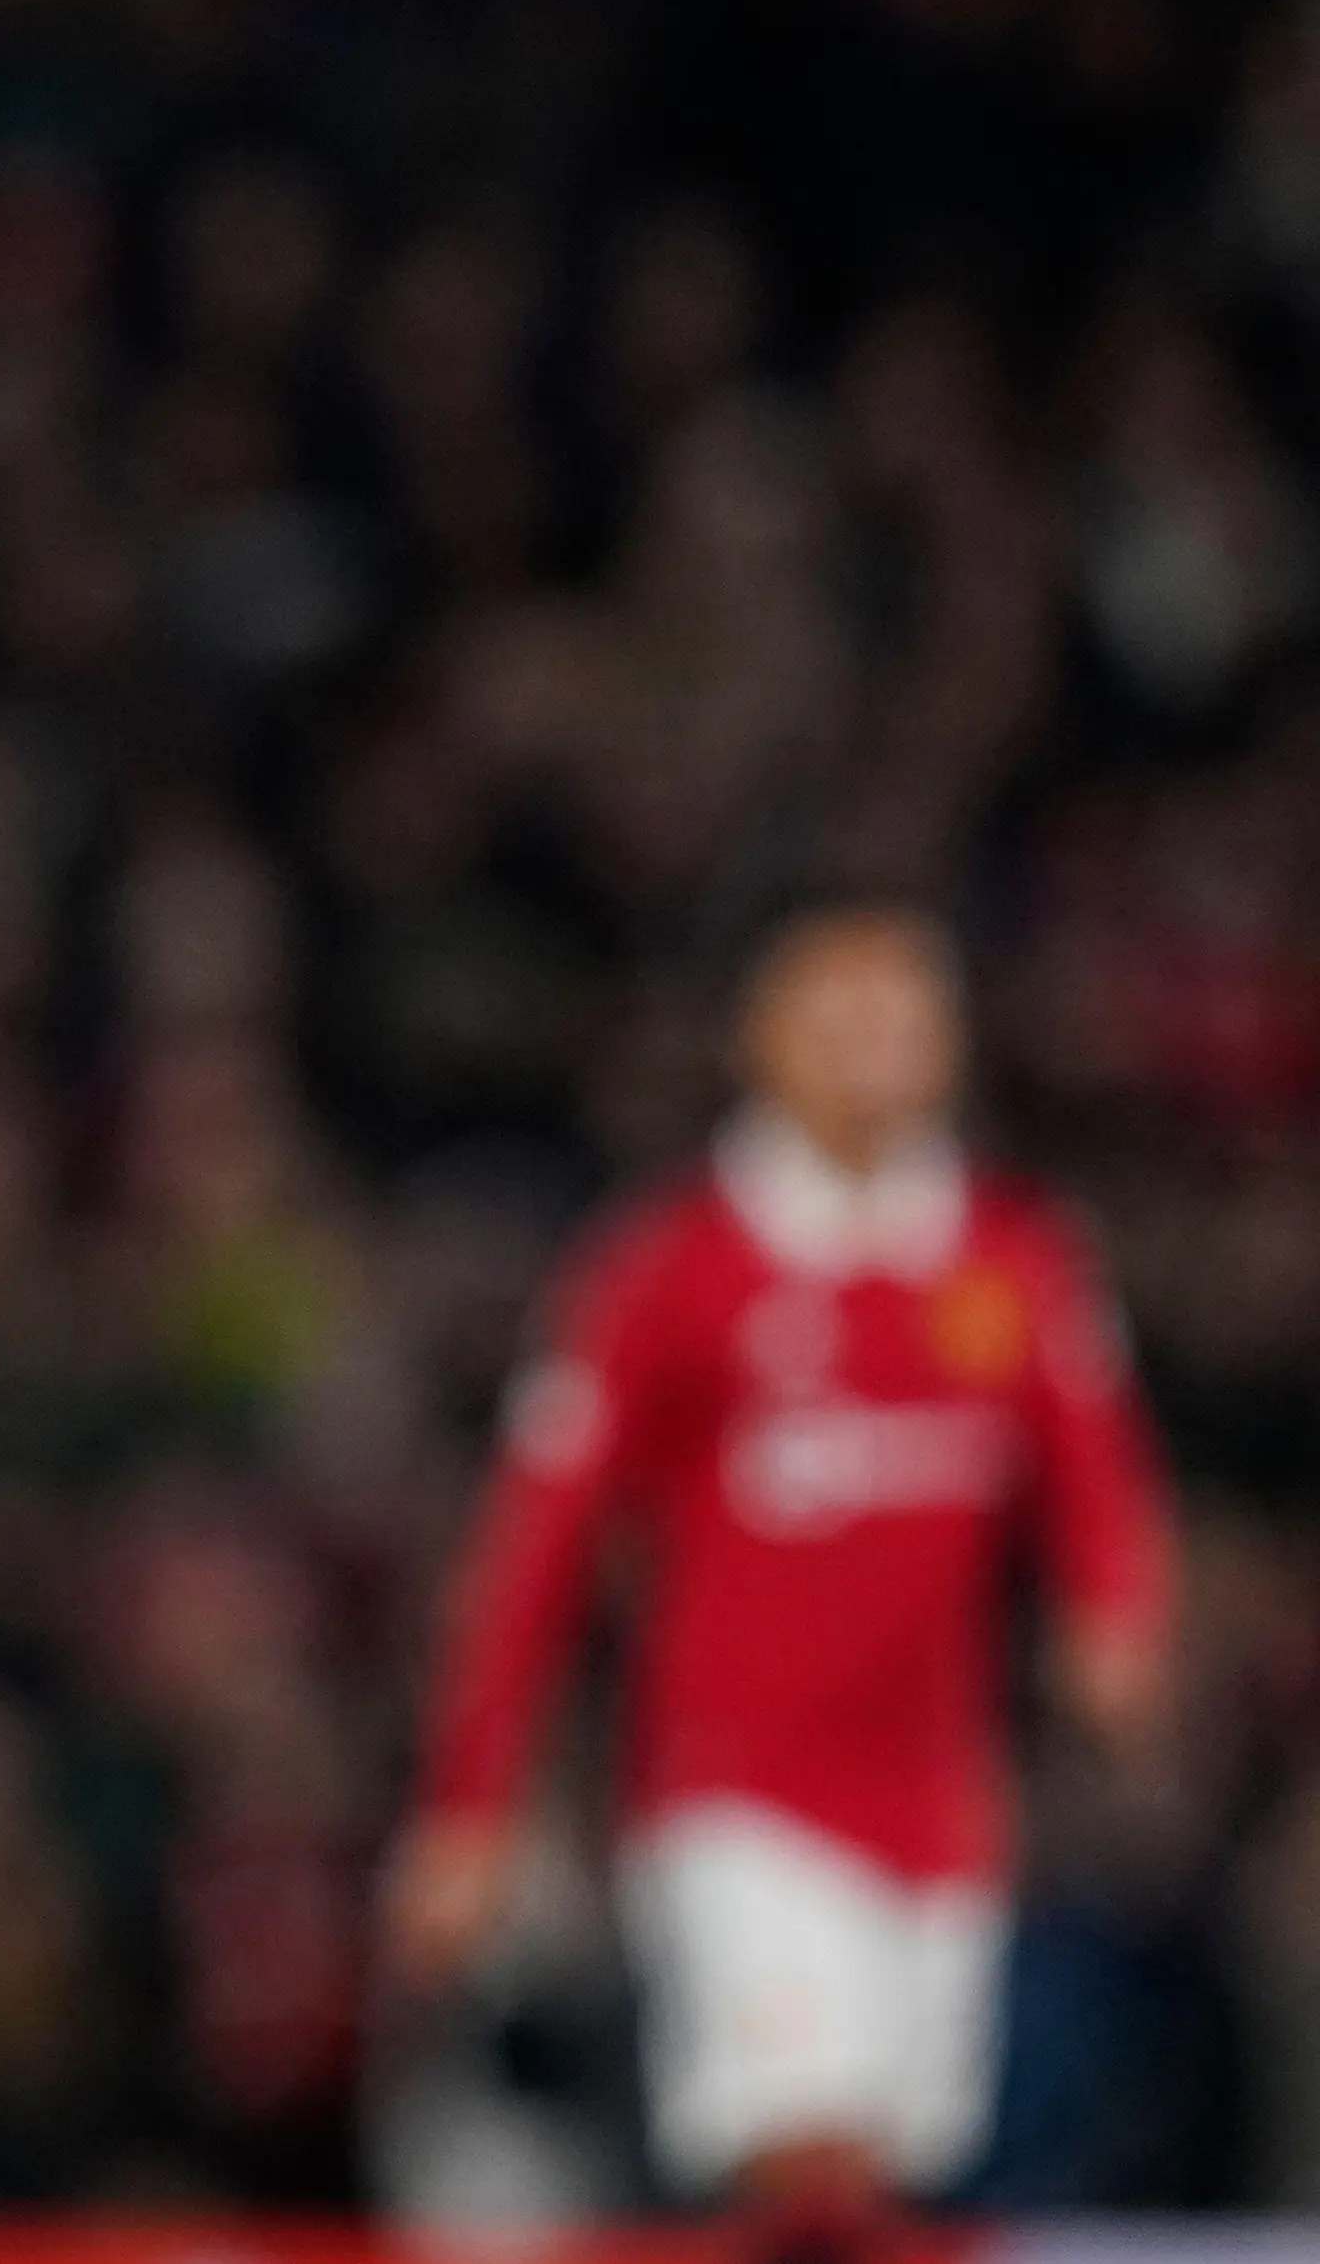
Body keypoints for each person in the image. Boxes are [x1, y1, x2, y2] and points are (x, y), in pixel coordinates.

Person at [385, 903, 1176, 2254]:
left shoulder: (1012, 1261)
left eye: (903, 1016)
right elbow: (539, 1547)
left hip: (937, 1797)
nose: (873, 1045)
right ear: (762, 1043)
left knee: (876, 2173)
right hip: (735, 1790)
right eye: (838, 1014)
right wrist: (473, 1799)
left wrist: (1116, 1615)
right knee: (811, 2155)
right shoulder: (670, 1273)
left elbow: (1098, 1469)